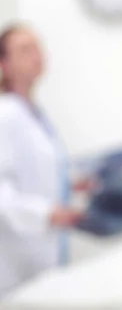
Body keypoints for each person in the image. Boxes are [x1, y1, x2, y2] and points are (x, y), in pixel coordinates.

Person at [0, 23, 83, 296]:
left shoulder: (33, 113)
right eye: (25, 49)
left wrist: (72, 184)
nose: (37, 55)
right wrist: (47, 213)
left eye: (38, 47)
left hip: (43, 251)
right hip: (15, 260)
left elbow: (36, 173)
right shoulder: (6, 115)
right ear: (5, 63)